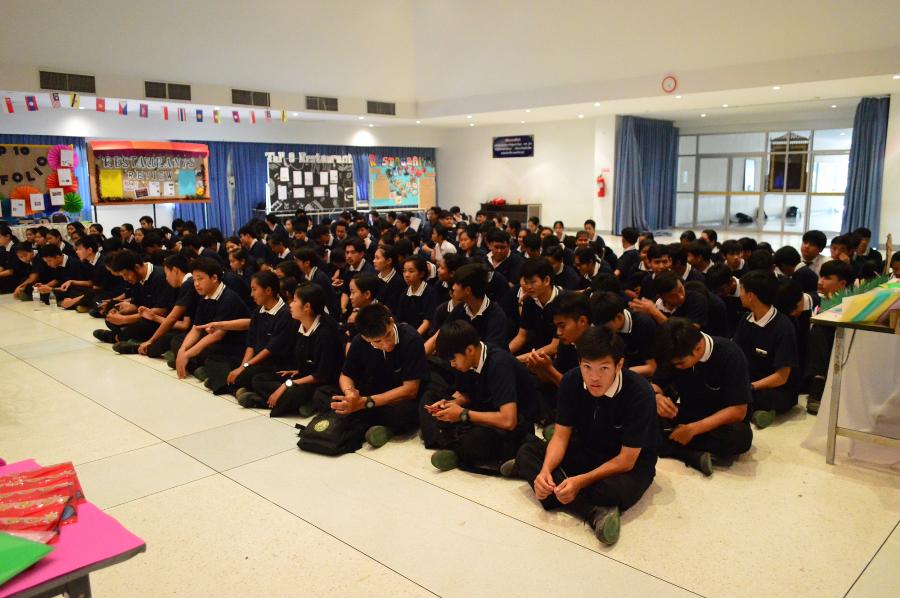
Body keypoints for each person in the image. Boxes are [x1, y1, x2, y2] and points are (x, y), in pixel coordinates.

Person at [509, 327, 658, 546]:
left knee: (614, 491)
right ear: (579, 363)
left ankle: (554, 487)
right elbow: (561, 436)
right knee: (527, 451)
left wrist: (580, 481)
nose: (594, 377)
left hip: (628, 463)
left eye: (604, 368)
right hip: (588, 449)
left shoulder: (640, 393)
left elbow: (627, 460)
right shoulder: (571, 381)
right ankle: (592, 510)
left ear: (619, 365)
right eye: (587, 367)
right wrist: (545, 470)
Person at [422, 320, 539, 473]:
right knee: (429, 399)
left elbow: (509, 421)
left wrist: (463, 414)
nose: (452, 365)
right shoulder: (466, 363)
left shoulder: (498, 363)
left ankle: (459, 450)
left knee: (476, 439)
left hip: (515, 426)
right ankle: (459, 449)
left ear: (469, 350)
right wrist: (451, 404)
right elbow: (468, 395)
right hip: (485, 411)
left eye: (453, 359)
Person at [317, 303, 427, 449]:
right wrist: (350, 393)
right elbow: (346, 375)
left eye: (388, 335)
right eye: (377, 341)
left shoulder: (411, 339)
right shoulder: (359, 341)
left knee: (404, 413)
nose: (386, 344)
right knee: (322, 393)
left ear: (391, 322)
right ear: (365, 337)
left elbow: (410, 390)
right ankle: (366, 420)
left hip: (396, 398)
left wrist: (365, 403)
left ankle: (363, 420)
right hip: (371, 392)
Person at [653, 318, 753, 476]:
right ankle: (689, 453)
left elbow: (738, 411)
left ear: (698, 348)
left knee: (740, 438)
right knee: (643, 411)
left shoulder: (731, 354)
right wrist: (657, 397)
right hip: (688, 412)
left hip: (719, 422)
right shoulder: (674, 354)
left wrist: (693, 429)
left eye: (680, 364)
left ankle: (674, 448)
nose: (677, 367)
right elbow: (656, 384)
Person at [243, 283, 345, 416]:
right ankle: (290, 403)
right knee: (258, 379)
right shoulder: (300, 324)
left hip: (320, 382)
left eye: (295, 301)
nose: (290, 304)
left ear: (307, 306)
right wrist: (295, 372)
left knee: (293, 391)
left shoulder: (326, 333)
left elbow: (321, 375)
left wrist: (287, 384)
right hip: (304, 375)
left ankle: (264, 401)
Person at [203, 271, 296, 395]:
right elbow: (251, 344)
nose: (251, 294)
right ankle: (228, 384)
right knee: (213, 358)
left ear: (268, 290)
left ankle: (223, 383)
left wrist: (244, 367)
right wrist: (243, 365)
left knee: (249, 377)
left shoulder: (284, 315)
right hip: (255, 360)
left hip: (273, 363)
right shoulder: (258, 311)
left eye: (254, 289)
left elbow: (269, 350)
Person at [733, 271, 800, 428]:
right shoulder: (745, 319)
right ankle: (755, 413)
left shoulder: (783, 327)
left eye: (741, 290)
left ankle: (752, 411)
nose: (739, 294)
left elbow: (781, 377)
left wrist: (750, 387)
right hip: (751, 382)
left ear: (750, 296)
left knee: (754, 396)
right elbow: (735, 352)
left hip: (778, 390)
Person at [172, 258, 250, 380]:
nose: (196, 284)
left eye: (200, 279)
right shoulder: (205, 295)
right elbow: (196, 328)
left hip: (232, 345)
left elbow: (217, 335)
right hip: (213, 339)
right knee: (178, 341)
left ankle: (196, 367)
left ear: (214, 278)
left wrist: (187, 354)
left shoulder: (229, 299)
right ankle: (196, 368)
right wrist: (183, 349)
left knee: (209, 355)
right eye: (194, 280)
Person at [93, 250, 176, 346]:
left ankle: (117, 337)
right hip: (144, 314)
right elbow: (136, 303)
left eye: (126, 274)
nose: (125, 278)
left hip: (159, 319)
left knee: (142, 325)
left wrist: (125, 319)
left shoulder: (160, 277)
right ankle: (124, 335)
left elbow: (160, 312)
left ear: (136, 267)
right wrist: (121, 312)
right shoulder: (136, 278)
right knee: (110, 317)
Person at [804, 260, 853, 414]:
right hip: (814, 356)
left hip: (839, 353)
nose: (820, 282)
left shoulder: (850, 304)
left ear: (842, 283)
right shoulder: (817, 299)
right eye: (821, 276)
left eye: (827, 278)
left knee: (820, 329)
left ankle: (817, 386)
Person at [427, 264, 510, 354]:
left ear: (468, 290)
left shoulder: (496, 316)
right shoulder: (460, 308)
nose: (453, 287)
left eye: (457, 283)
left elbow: (489, 354)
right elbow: (439, 336)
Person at [590, 291, 657, 377]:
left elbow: (652, 368)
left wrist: (617, 372)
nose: (602, 331)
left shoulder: (643, 324)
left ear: (619, 317)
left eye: (605, 328)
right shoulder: (600, 325)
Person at [510, 258, 564, 356]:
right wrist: (505, 354)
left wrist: (519, 359)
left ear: (547, 280)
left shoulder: (563, 302)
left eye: (533, 282)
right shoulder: (529, 300)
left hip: (559, 356)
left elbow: (554, 347)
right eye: (527, 282)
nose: (529, 287)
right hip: (535, 352)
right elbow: (522, 336)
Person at [629, 271, 709, 329]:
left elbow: (691, 333)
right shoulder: (652, 305)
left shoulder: (696, 299)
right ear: (660, 296)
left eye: (680, 289)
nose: (681, 297)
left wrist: (656, 313)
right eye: (672, 296)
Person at [395, 256, 438, 337]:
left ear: (421, 274)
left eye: (411, 271)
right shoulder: (405, 293)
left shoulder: (429, 292)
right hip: (408, 333)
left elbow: (427, 321)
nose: (406, 275)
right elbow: (400, 319)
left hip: (423, 335)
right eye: (404, 271)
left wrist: (414, 337)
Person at [373, 245, 405, 313]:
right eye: (374, 257)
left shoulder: (398, 282)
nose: (374, 261)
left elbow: (389, 309)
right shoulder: (375, 276)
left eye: (377, 258)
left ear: (389, 261)